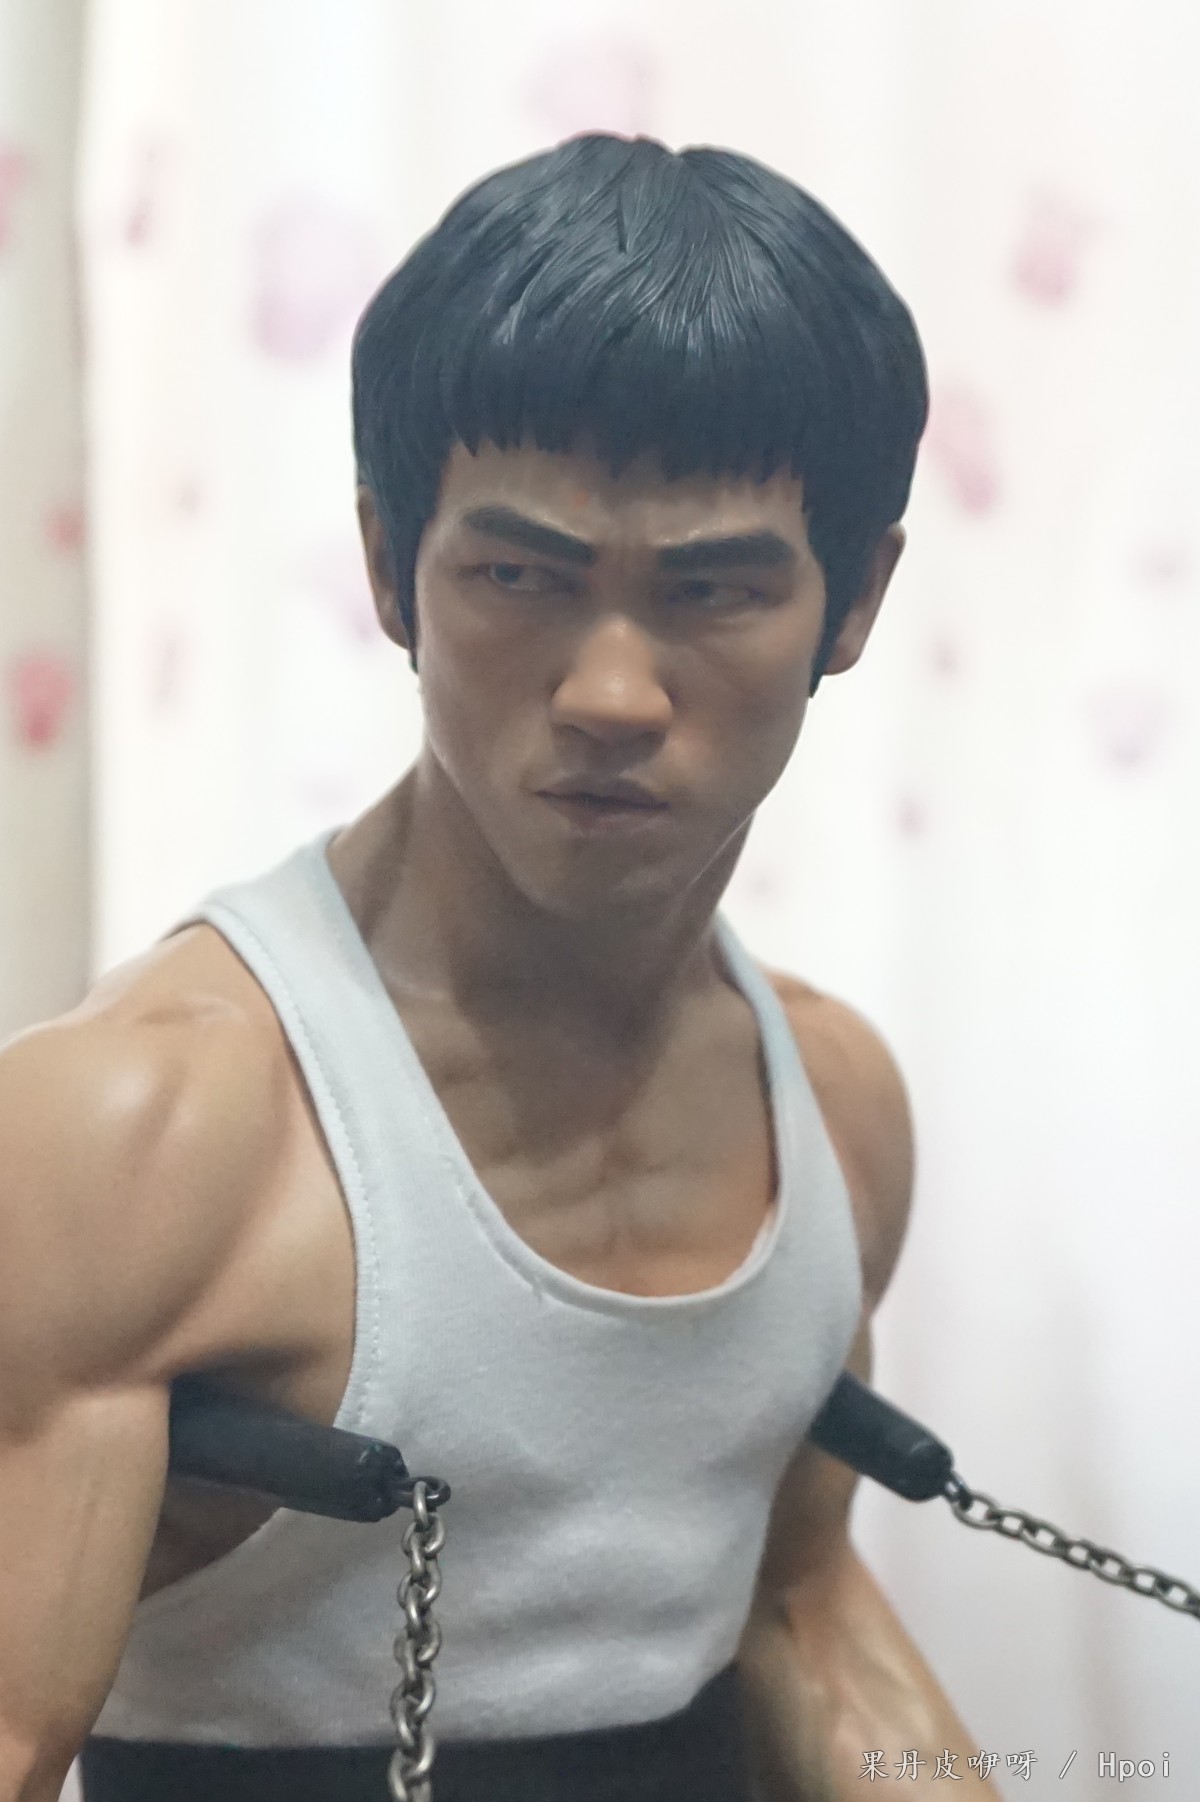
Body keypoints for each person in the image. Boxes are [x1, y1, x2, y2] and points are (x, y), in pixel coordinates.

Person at [0, 133, 997, 1802]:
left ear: (854, 601)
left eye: (714, 588)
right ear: (390, 568)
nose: (611, 690)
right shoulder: (142, 1132)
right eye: (520, 576)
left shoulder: (834, 1109)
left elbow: (802, 1612)